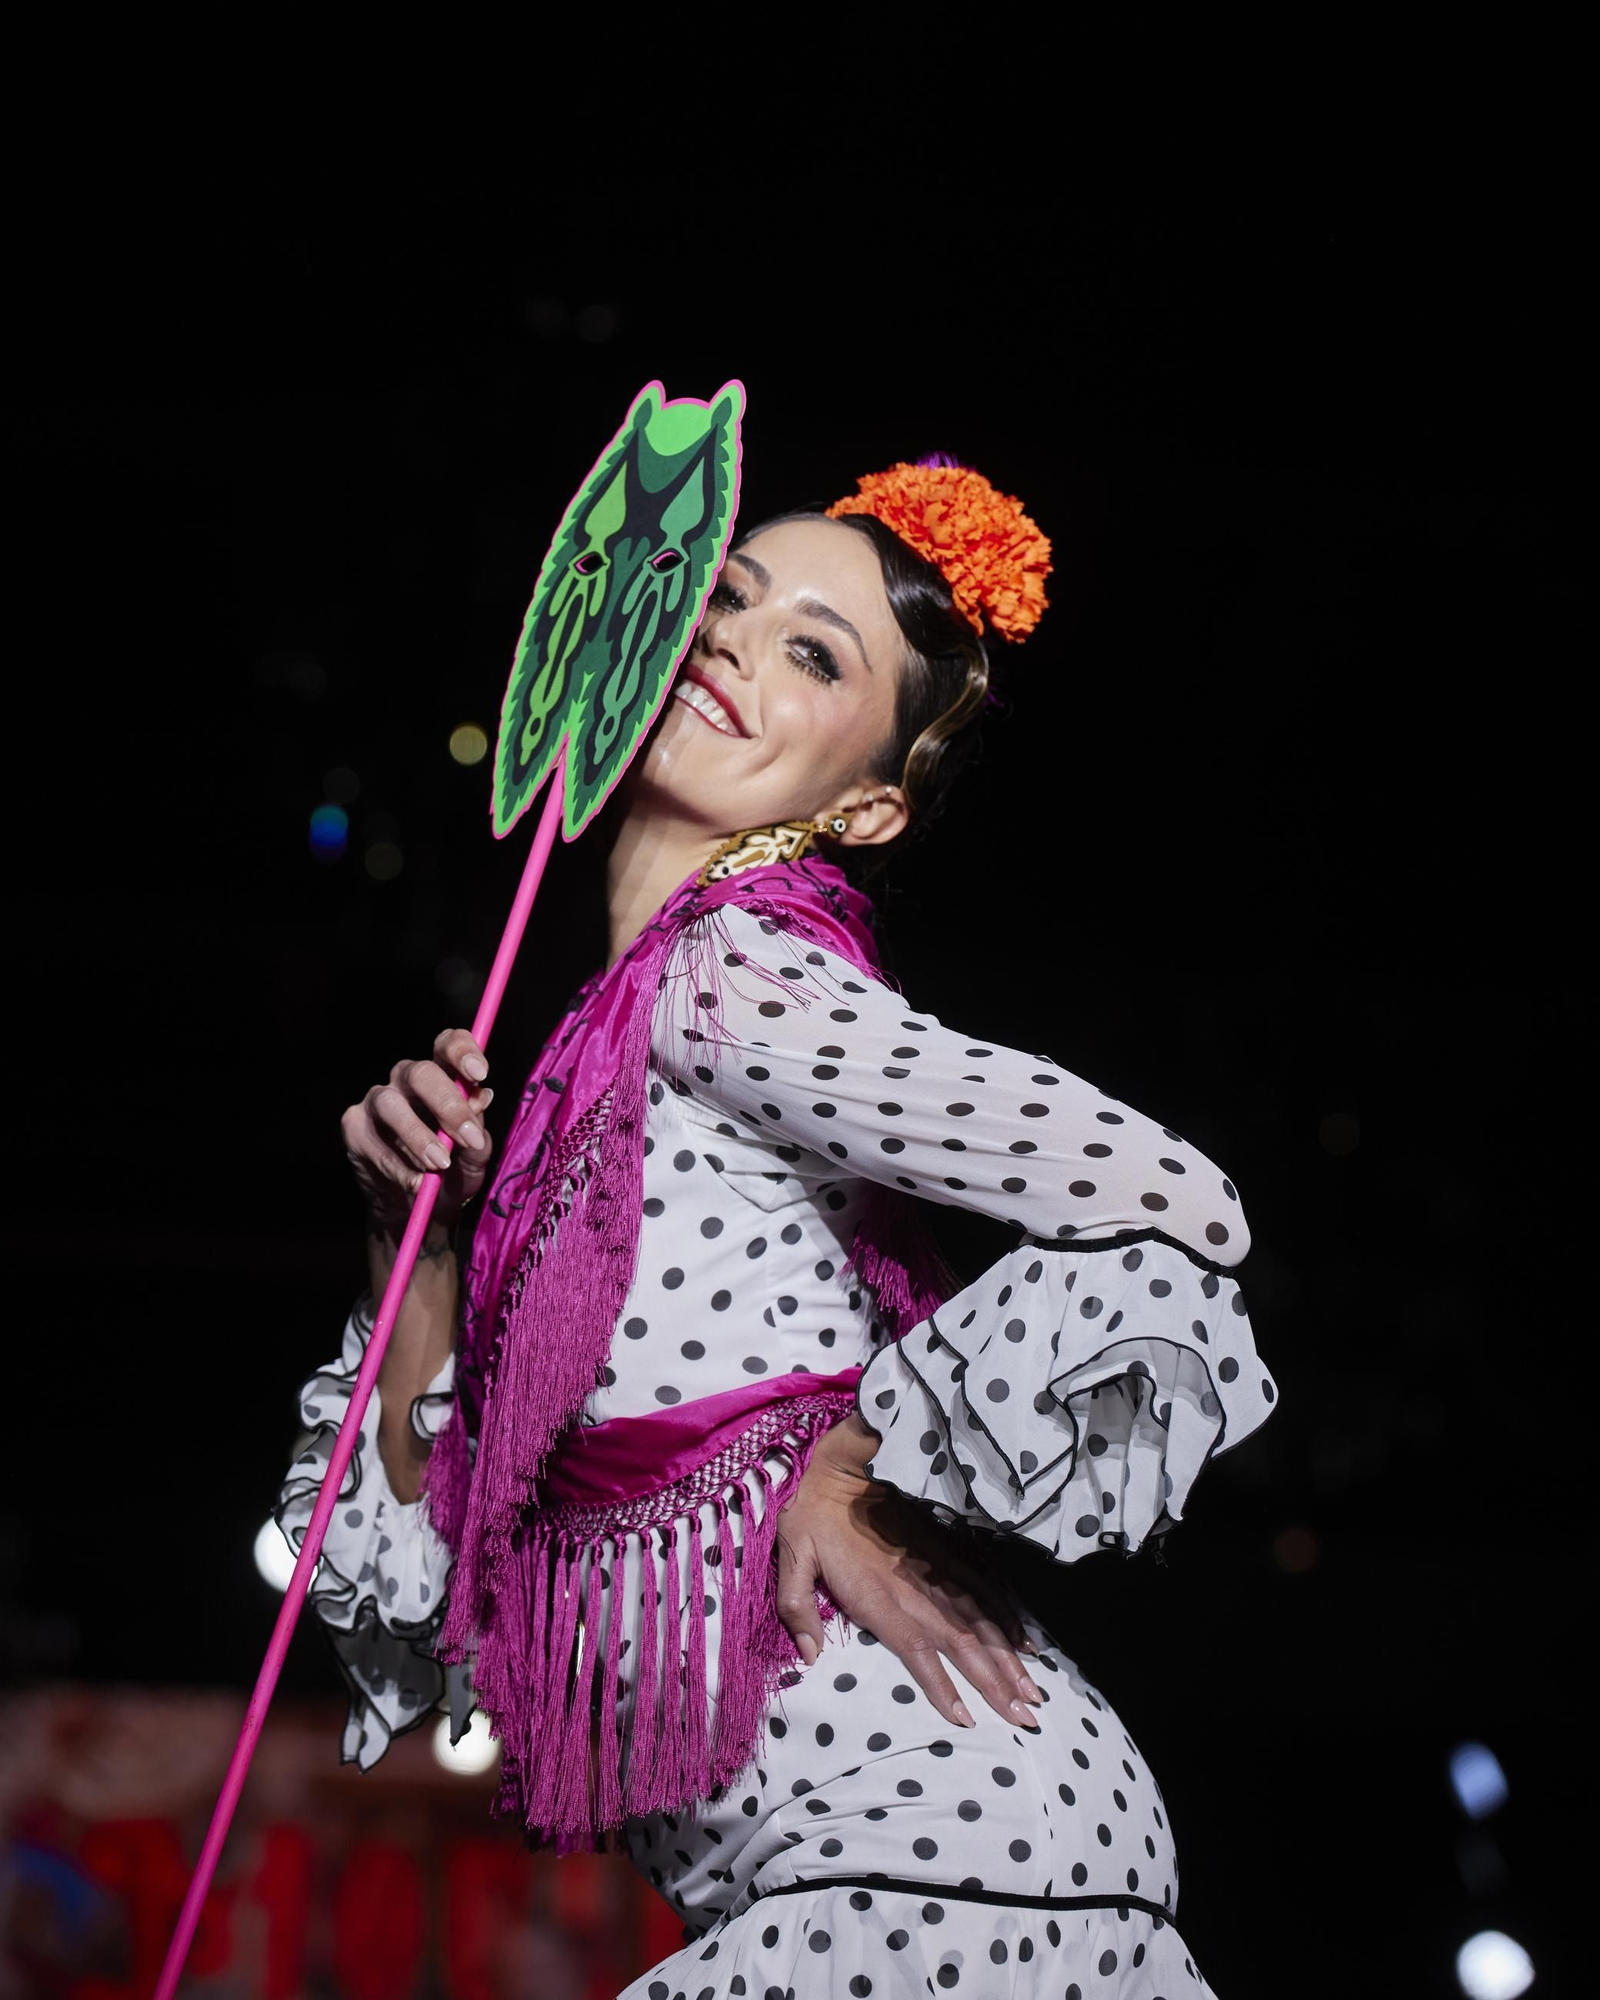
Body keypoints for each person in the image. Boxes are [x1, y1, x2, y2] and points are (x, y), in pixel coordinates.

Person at [278, 457, 1279, 1997]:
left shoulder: (730, 978)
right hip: (890, 1874)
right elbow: (435, 1595)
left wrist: (862, 1464)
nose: (733, 645)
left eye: (816, 651)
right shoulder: (591, 1086)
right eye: (726, 600)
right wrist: (410, 1247)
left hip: (935, 1864)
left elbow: (1171, 1203)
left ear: (867, 802)